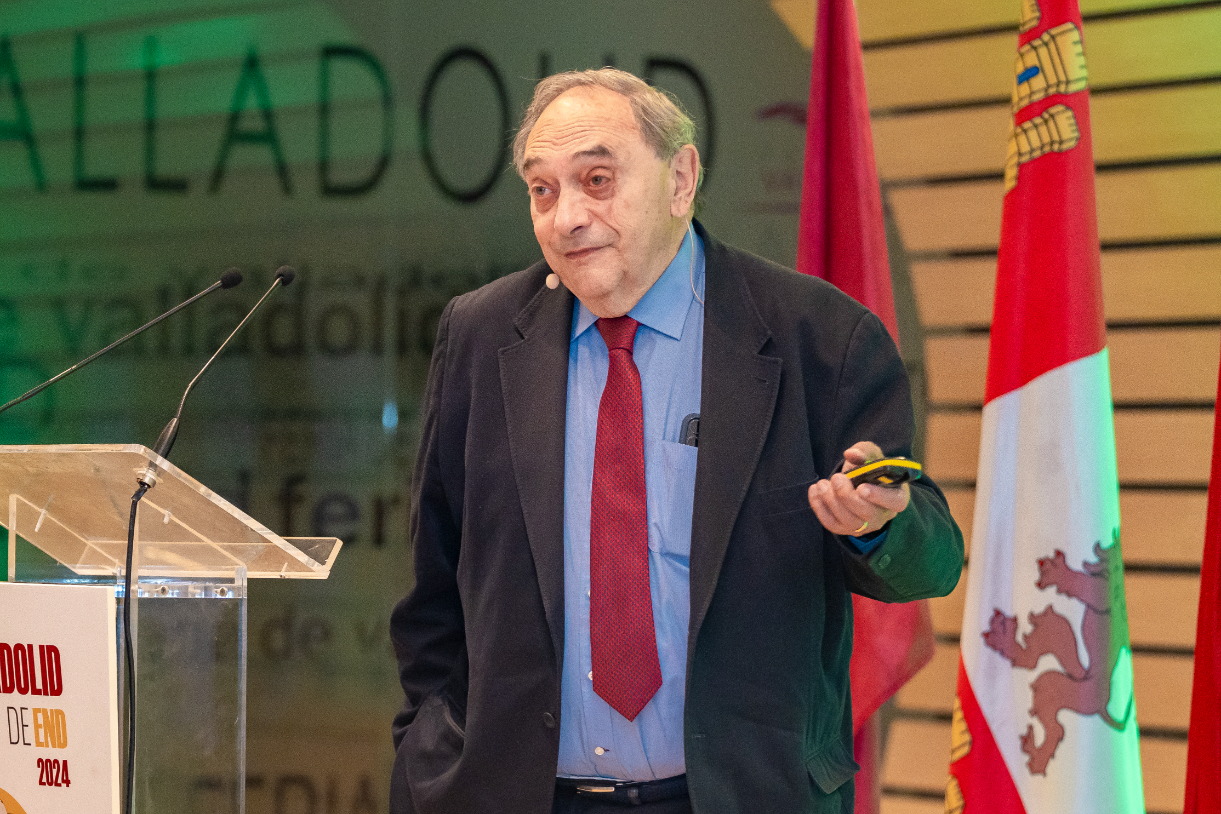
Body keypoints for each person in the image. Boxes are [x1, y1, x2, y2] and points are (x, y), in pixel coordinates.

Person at [389, 68, 963, 814]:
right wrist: (426, 760)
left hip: (740, 797)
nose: (567, 217)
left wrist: (879, 526)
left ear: (681, 179)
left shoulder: (819, 337)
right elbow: (432, 591)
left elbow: (932, 562)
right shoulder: (480, 334)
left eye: (596, 180)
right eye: (542, 190)